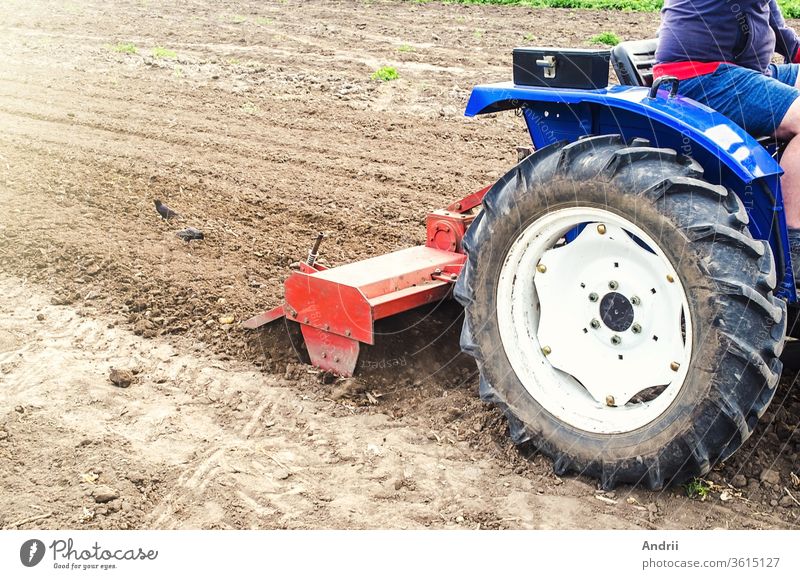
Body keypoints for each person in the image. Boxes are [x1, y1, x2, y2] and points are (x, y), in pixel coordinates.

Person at [654, 0, 800, 275]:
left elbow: (773, 18)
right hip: (702, 74)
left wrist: (795, 49)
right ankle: (794, 244)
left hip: (748, 71)